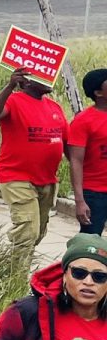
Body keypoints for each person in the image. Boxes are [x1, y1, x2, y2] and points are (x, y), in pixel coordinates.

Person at [0, 66, 69, 255]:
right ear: (27, 81)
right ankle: (16, 279)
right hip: (16, 178)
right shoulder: (14, 101)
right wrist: (10, 86)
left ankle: (10, 266)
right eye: (44, 75)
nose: (51, 78)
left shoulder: (54, 107)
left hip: (47, 180)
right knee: (26, 232)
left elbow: (68, 144)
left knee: (38, 232)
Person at [69, 69, 107, 235]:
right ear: (98, 93)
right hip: (94, 193)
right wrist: (79, 201)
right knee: (89, 242)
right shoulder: (83, 121)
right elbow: (75, 160)